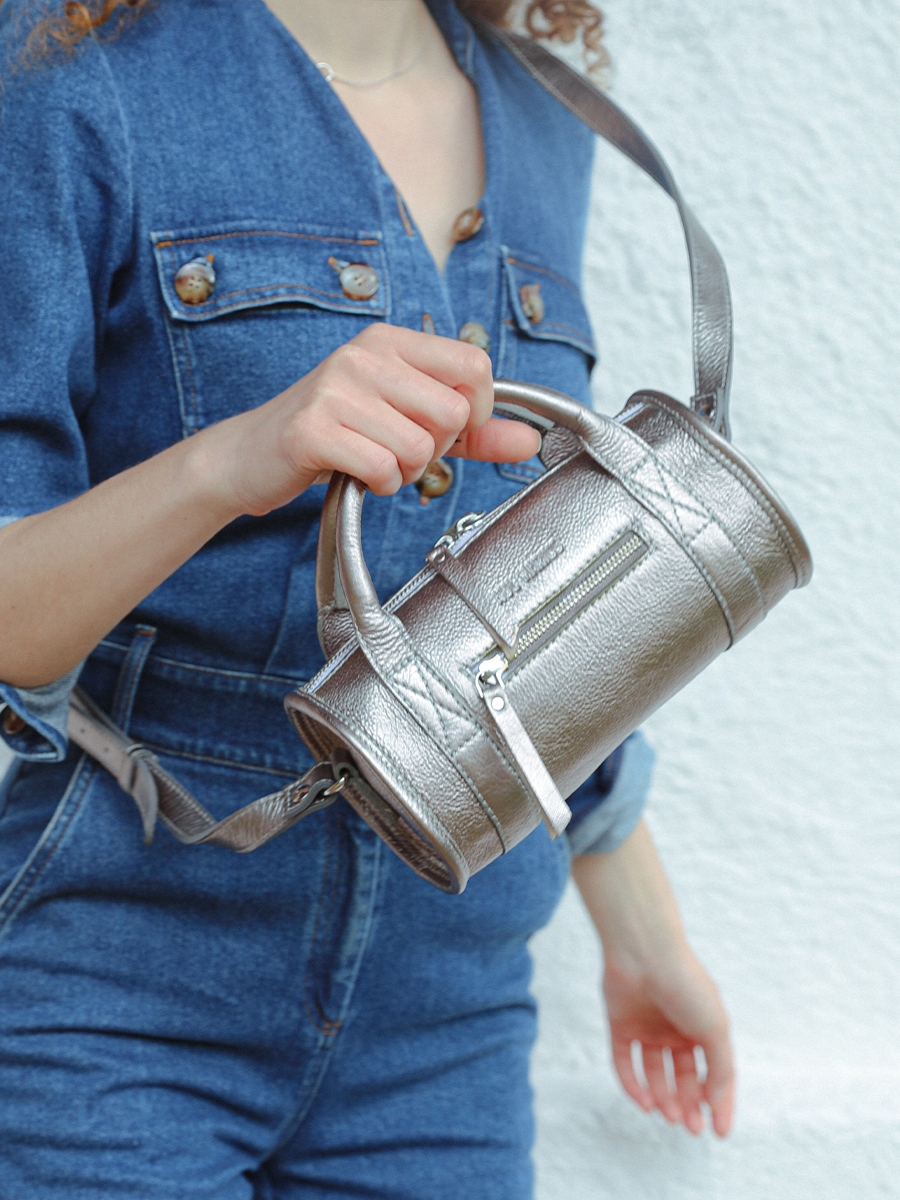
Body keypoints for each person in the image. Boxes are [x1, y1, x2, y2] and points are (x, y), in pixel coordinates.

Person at [0, 1, 735, 1195]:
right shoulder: (62, 69)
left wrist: (645, 936)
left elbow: (524, 619)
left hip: (449, 1027)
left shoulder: (545, 108)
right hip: (120, 997)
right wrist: (228, 462)